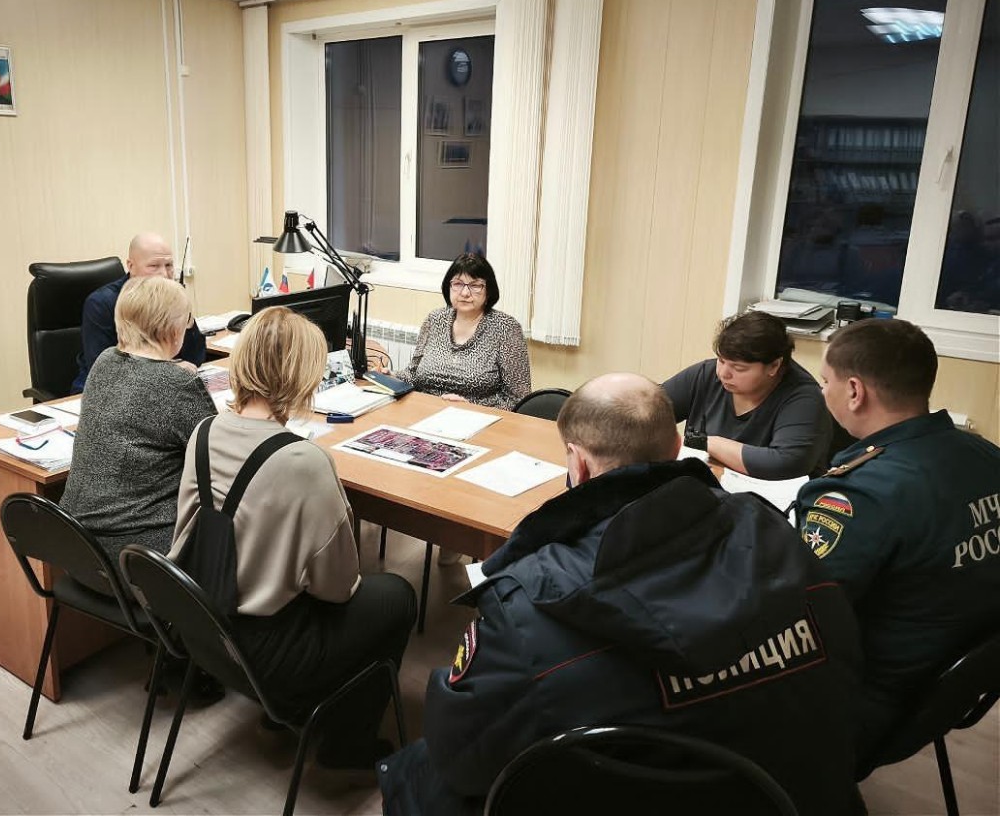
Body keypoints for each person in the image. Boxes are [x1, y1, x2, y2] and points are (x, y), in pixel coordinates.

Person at [379, 373, 864, 816]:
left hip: (605, 795)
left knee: (421, 777)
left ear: (579, 464)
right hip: (780, 793)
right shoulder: (783, 544)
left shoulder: (526, 608)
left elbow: (460, 756)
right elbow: (844, 687)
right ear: (678, 448)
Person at [171, 306, 417, 773]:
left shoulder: (203, 431)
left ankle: (279, 719)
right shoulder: (303, 461)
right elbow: (339, 587)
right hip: (269, 655)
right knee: (395, 596)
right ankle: (346, 746)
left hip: (204, 629)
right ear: (303, 375)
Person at [794, 318, 1000, 776]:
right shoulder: (988, 457)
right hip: (947, 691)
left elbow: (800, 611)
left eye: (824, 382)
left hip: (870, 708)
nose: (822, 392)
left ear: (854, 391)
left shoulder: (861, 494)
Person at [59, 276, 216, 577]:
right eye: (187, 321)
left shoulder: (105, 361)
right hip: (140, 560)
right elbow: (218, 456)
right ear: (173, 329)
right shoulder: (177, 384)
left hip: (79, 551)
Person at [662, 310, 832, 479]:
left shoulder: (804, 398)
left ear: (774, 366)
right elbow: (652, 409)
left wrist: (703, 442)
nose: (723, 374)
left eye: (739, 368)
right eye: (721, 360)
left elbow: (786, 462)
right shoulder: (706, 374)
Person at [72, 232, 205, 392]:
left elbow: (196, 358)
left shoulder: (170, 298)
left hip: (159, 387)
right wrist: (168, 370)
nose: (164, 274)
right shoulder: (102, 303)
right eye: (154, 266)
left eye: (169, 265)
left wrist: (184, 311)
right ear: (131, 266)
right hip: (102, 392)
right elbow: (104, 369)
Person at [396, 253, 530, 411]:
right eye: (458, 284)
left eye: (475, 286)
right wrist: (389, 377)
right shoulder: (435, 320)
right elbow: (413, 374)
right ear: (448, 287)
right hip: (425, 411)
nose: (465, 293)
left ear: (488, 291)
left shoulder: (506, 328)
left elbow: (518, 399)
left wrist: (472, 408)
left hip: (479, 419)